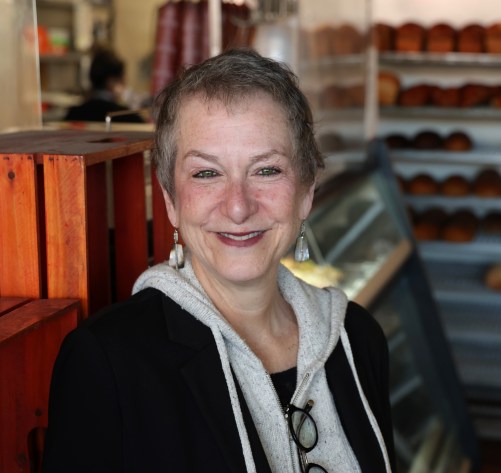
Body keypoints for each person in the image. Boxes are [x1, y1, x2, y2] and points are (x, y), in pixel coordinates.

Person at [43, 48, 395, 473]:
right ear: (171, 200)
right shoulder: (108, 363)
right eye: (206, 173)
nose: (238, 207)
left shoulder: (358, 338)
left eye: (266, 170)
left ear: (306, 192)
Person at [64, 47, 144, 123]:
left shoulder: (74, 113)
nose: (124, 83)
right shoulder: (127, 116)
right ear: (111, 81)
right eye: (122, 79)